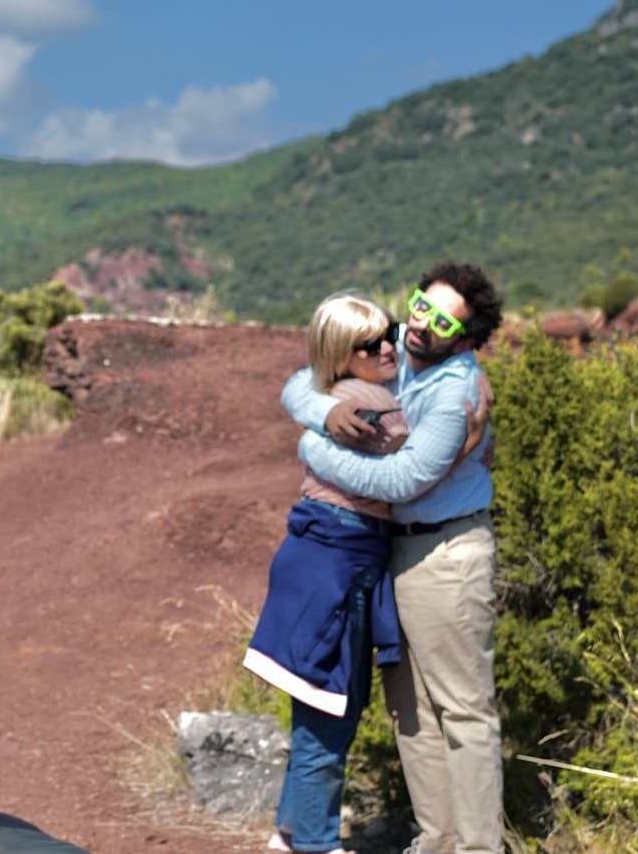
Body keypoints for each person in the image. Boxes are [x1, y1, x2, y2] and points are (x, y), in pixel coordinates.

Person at [281, 262, 504, 854]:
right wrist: (324, 414)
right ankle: (436, 840)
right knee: (411, 709)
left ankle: (479, 848)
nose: (422, 325)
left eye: (443, 322)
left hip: (445, 552)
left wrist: (313, 450)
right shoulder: (397, 353)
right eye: (421, 307)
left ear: (467, 339)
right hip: (392, 552)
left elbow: (402, 480)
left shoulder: (457, 393)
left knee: (463, 711)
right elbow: (302, 380)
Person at [244, 292, 409, 854]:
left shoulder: (334, 391)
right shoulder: (370, 400)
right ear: (341, 355)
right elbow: (416, 458)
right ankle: (316, 843)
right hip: (341, 567)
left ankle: (291, 833)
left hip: (319, 560)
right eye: (369, 344)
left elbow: (300, 384)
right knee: (328, 710)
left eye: (389, 332)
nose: (386, 347)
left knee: (317, 712)